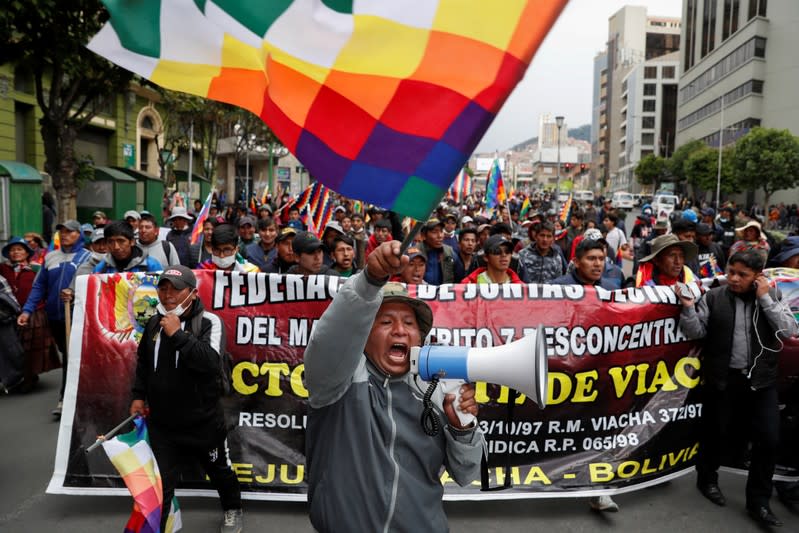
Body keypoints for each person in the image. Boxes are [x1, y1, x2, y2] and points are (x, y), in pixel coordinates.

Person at [304, 241, 484, 532]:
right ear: (363, 335)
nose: (400, 330)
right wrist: (369, 282)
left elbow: (467, 473)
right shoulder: (339, 381)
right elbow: (332, 338)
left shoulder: (436, 391)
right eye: (386, 321)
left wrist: (463, 431)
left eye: (409, 324)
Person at [677, 251, 797, 527]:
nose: (733, 279)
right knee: (715, 434)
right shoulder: (715, 298)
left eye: (742, 275)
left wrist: (765, 298)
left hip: (762, 382)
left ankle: (759, 503)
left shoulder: (772, 297)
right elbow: (695, 331)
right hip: (723, 380)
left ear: (758, 276)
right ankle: (707, 480)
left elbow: (788, 329)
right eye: (731, 272)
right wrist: (687, 306)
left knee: (768, 440)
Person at [130, 265, 243, 533]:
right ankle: (158, 526)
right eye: (163, 287)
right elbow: (144, 364)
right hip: (162, 423)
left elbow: (210, 363)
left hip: (203, 421)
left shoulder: (209, 322)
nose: (167, 294)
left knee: (220, 470)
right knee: (162, 482)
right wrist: (138, 395)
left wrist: (177, 334)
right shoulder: (154, 322)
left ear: (192, 293)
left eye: (176, 289)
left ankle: (232, 508)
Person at [550, 237, 620, 512]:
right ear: (576, 261)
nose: (597, 264)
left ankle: (598, 490)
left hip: (599, 376)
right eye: (591, 259)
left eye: (601, 259)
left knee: (597, 432)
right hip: (564, 376)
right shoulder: (556, 289)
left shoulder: (613, 289)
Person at [18, 221, 90, 409]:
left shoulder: (87, 257)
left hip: (77, 316)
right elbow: (39, 286)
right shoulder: (50, 257)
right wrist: (27, 310)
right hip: (55, 317)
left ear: (79, 234)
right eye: (61, 232)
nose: (64, 235)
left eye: (69, 232)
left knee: (70, 356)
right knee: (68, 354)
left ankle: (65, 400)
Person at [75, 220, 162, 278]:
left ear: (132, 241)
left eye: (121, 241)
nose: (116, 247)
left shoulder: (151, 265)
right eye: (111, 242)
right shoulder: (101, 268)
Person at [416, 219, 456, 285]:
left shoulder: (449, 251)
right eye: (434, 232)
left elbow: (459, 274)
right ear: (423, 236)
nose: (440, 236)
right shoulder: (415, 252)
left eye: (441, 231)